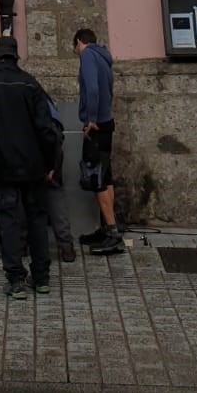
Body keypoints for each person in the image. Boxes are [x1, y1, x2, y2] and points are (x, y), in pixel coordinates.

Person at [0, 35, 60, 299]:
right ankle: (41, 278)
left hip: (1, 165)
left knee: (8, 222)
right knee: (37, 220)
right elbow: (46, 128)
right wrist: (50, 162)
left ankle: (16, 280)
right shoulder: (30, 83)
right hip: (33, 165)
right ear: (16, 57)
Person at [73, 27, 123, 256]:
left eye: (75, 48)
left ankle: (112, 233)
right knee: (106, 176)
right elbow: (107, 90)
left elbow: (92, 89)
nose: (76, 52)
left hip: (97, 125)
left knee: (96, 178)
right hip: (107, 122)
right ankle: (108, 227)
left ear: (78, 42)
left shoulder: (87, 55)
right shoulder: (104, 57)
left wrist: (91, 119)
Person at [43, 96, 76, 262]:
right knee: (54, 196)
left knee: (51, 195)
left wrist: (51, 167)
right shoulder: (38, 95)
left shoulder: (26, 99)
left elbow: (53, 135)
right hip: (49, 150)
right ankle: (66, 246)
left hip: (42, 154)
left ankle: (21, 246)